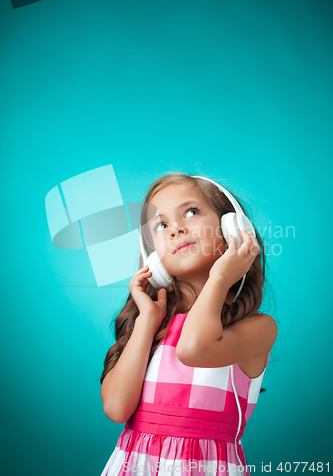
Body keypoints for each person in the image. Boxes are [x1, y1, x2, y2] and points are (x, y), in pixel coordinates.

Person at [99, 172, 278, 476]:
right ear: (153, 257)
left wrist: (221, 276)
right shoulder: (152, 326)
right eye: (161, 225)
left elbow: (194, 349)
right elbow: (117, 408)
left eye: (191, 212)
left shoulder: (258, 328)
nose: (176, 229)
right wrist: (147, 322)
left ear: (232, 229)